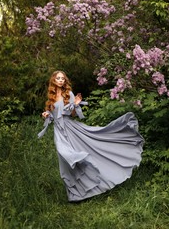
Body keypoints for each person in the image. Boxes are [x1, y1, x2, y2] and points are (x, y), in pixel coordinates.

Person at [38, 70, 144, 202]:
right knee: (65, 159)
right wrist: (47, 115)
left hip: (71, 128)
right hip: (59, 132)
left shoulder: (68, 94)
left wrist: (75, 105)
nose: (60, 80)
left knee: (76, 154)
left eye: (63, 78)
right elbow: (53, 115)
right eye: (58, 78)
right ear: (53, 80)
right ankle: (75, 194)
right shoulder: (51, 98)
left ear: (65, 81)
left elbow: (72, 114)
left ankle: (88, 185)